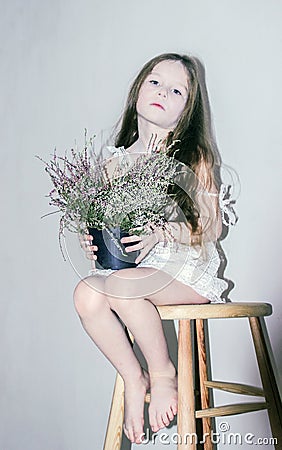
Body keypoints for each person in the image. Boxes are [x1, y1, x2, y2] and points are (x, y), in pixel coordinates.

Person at [73, 53, 228, 444]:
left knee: (123, 287)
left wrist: (163, 233)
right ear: (137, 91)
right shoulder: (113, 164)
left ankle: (162, 375)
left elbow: (210, 225)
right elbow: (105, 225)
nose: (163, 92)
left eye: (177, 90)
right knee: (87, 293)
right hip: (134, 276)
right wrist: (88, 233)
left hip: (184, 274)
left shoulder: (192, 159)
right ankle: (133, 375)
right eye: (155, 82)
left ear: (186, 111)